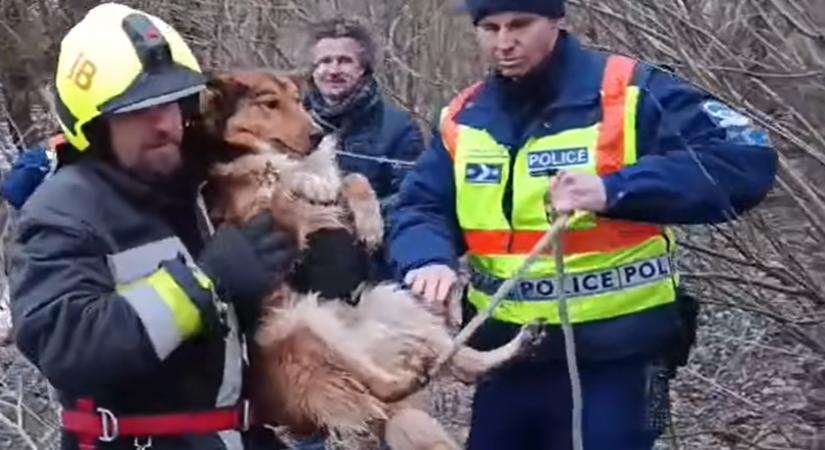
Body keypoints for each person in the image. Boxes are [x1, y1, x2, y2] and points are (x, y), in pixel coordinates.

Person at [387, 1, 778, 449]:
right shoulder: (465, 116)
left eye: (520, 24)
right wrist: (427, 259)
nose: (504, 42)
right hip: (507, 357)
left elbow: (746, 159)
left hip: (620, 358)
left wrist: (616, 189)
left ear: (556, 20)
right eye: (489, 28)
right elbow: (421, 204)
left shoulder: (629, 91)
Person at [8, 3, 298, 449]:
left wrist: (328, 264)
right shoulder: (62, 212)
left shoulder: (202, 184)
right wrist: (204, 284)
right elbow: (69, 347)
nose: (166, 125)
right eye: (139, 110)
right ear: (94, 125)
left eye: (173, 102)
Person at [303, 17, 425, 220]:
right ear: (313, 70)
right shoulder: (292, 122)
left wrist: (358, 210)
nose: (333, 70)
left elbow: (411, 197)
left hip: (371, 240)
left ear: (363, 69)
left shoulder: (399, 129)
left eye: (344, 61)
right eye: (325, 61)